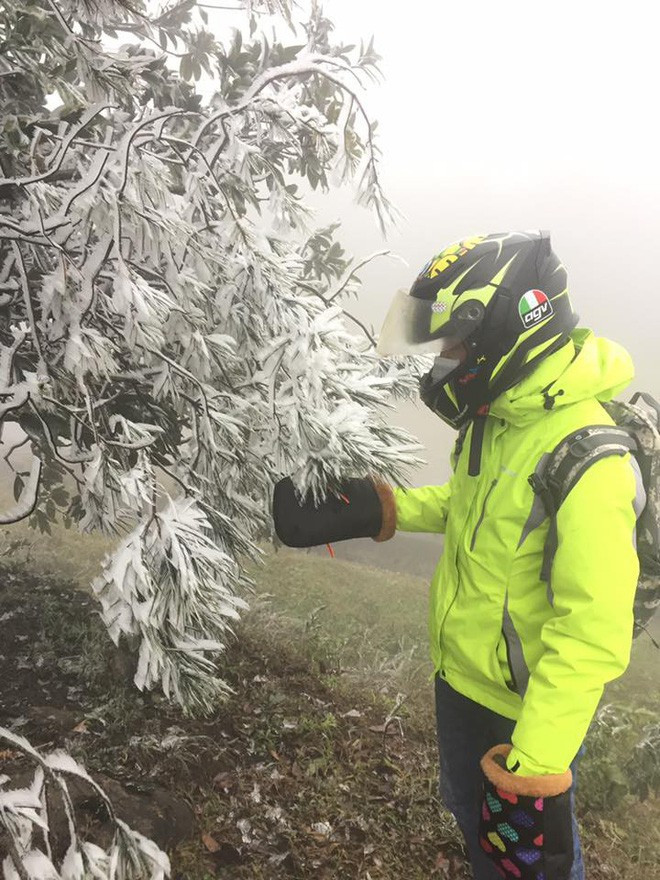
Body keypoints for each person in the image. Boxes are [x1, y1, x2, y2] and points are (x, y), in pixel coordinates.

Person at [273, 231, 641, 880]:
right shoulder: (499, 417)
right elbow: (471, 506)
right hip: (460, 678)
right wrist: (381, 509)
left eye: (455, 341)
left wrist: (535, 761)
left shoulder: (590, 456)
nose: (444, 357)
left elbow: (593, 636)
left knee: (530, 863)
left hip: (523, 709)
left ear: (507, 329)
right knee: (475, 823)